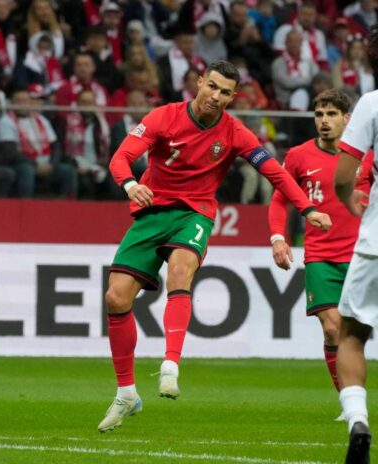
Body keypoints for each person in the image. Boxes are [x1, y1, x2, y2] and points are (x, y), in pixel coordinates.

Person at [99, 60, 332, 433]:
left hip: (195, 214)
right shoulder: (164, 117)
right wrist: (130, 185)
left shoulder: (236, 133)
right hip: (150, 210)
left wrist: (307, 208)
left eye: (225, 92)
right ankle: (126, 393)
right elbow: (121, 158)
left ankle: (170, 366)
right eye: (212, 87)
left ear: (233, 97)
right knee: (116, 298)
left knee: (180, 271)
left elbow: (274, 171)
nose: (216, 97)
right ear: (199, 83)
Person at [268, 89, 373, 410]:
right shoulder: (299, 156)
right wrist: (278, 237)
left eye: (331, 114)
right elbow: (279, 199)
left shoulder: (366, 156)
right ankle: (349, 403)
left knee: (355, 334)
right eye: (319, 114)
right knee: (332, 328)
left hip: (363, 255)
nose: (324, 121)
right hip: (320, 257)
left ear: (347, 119)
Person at [332, 24, 378, 464]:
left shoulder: (371, 103)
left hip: (375, 243)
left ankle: (359, 420)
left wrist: (351, 201)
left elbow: (343, 175)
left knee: (352, 335)